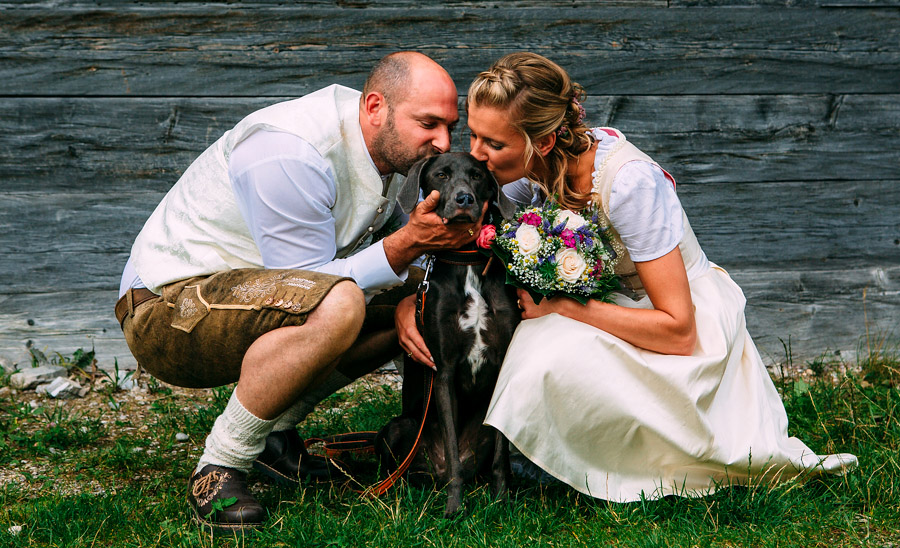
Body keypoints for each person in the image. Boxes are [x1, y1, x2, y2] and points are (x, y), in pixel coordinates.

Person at [396, 52, 857, 502]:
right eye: (474, 135)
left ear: (545, 141)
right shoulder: (518, 173)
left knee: (541, 349)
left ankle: (617, 457)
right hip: (609, 306)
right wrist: (410, 298)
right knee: (533, 338)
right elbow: (459, 244)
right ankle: (561, 450)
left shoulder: (630, 183)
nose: (477, 156)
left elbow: (680, 331)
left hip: (677, 320)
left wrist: (562, 307)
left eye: (494, 144)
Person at [115, 51, 484, 531]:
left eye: (449, 127)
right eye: (429, 124)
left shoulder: (386, 145)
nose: (443, 142)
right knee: (339, 301)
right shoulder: (292, 151)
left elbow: (395, 251)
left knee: (424, 297)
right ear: (376, 107)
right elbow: (312, 288)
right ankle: (220, 465)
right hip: (167, 308)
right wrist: (409, 244)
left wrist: (415, 290)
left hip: (249, 294)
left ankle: (275, 433)